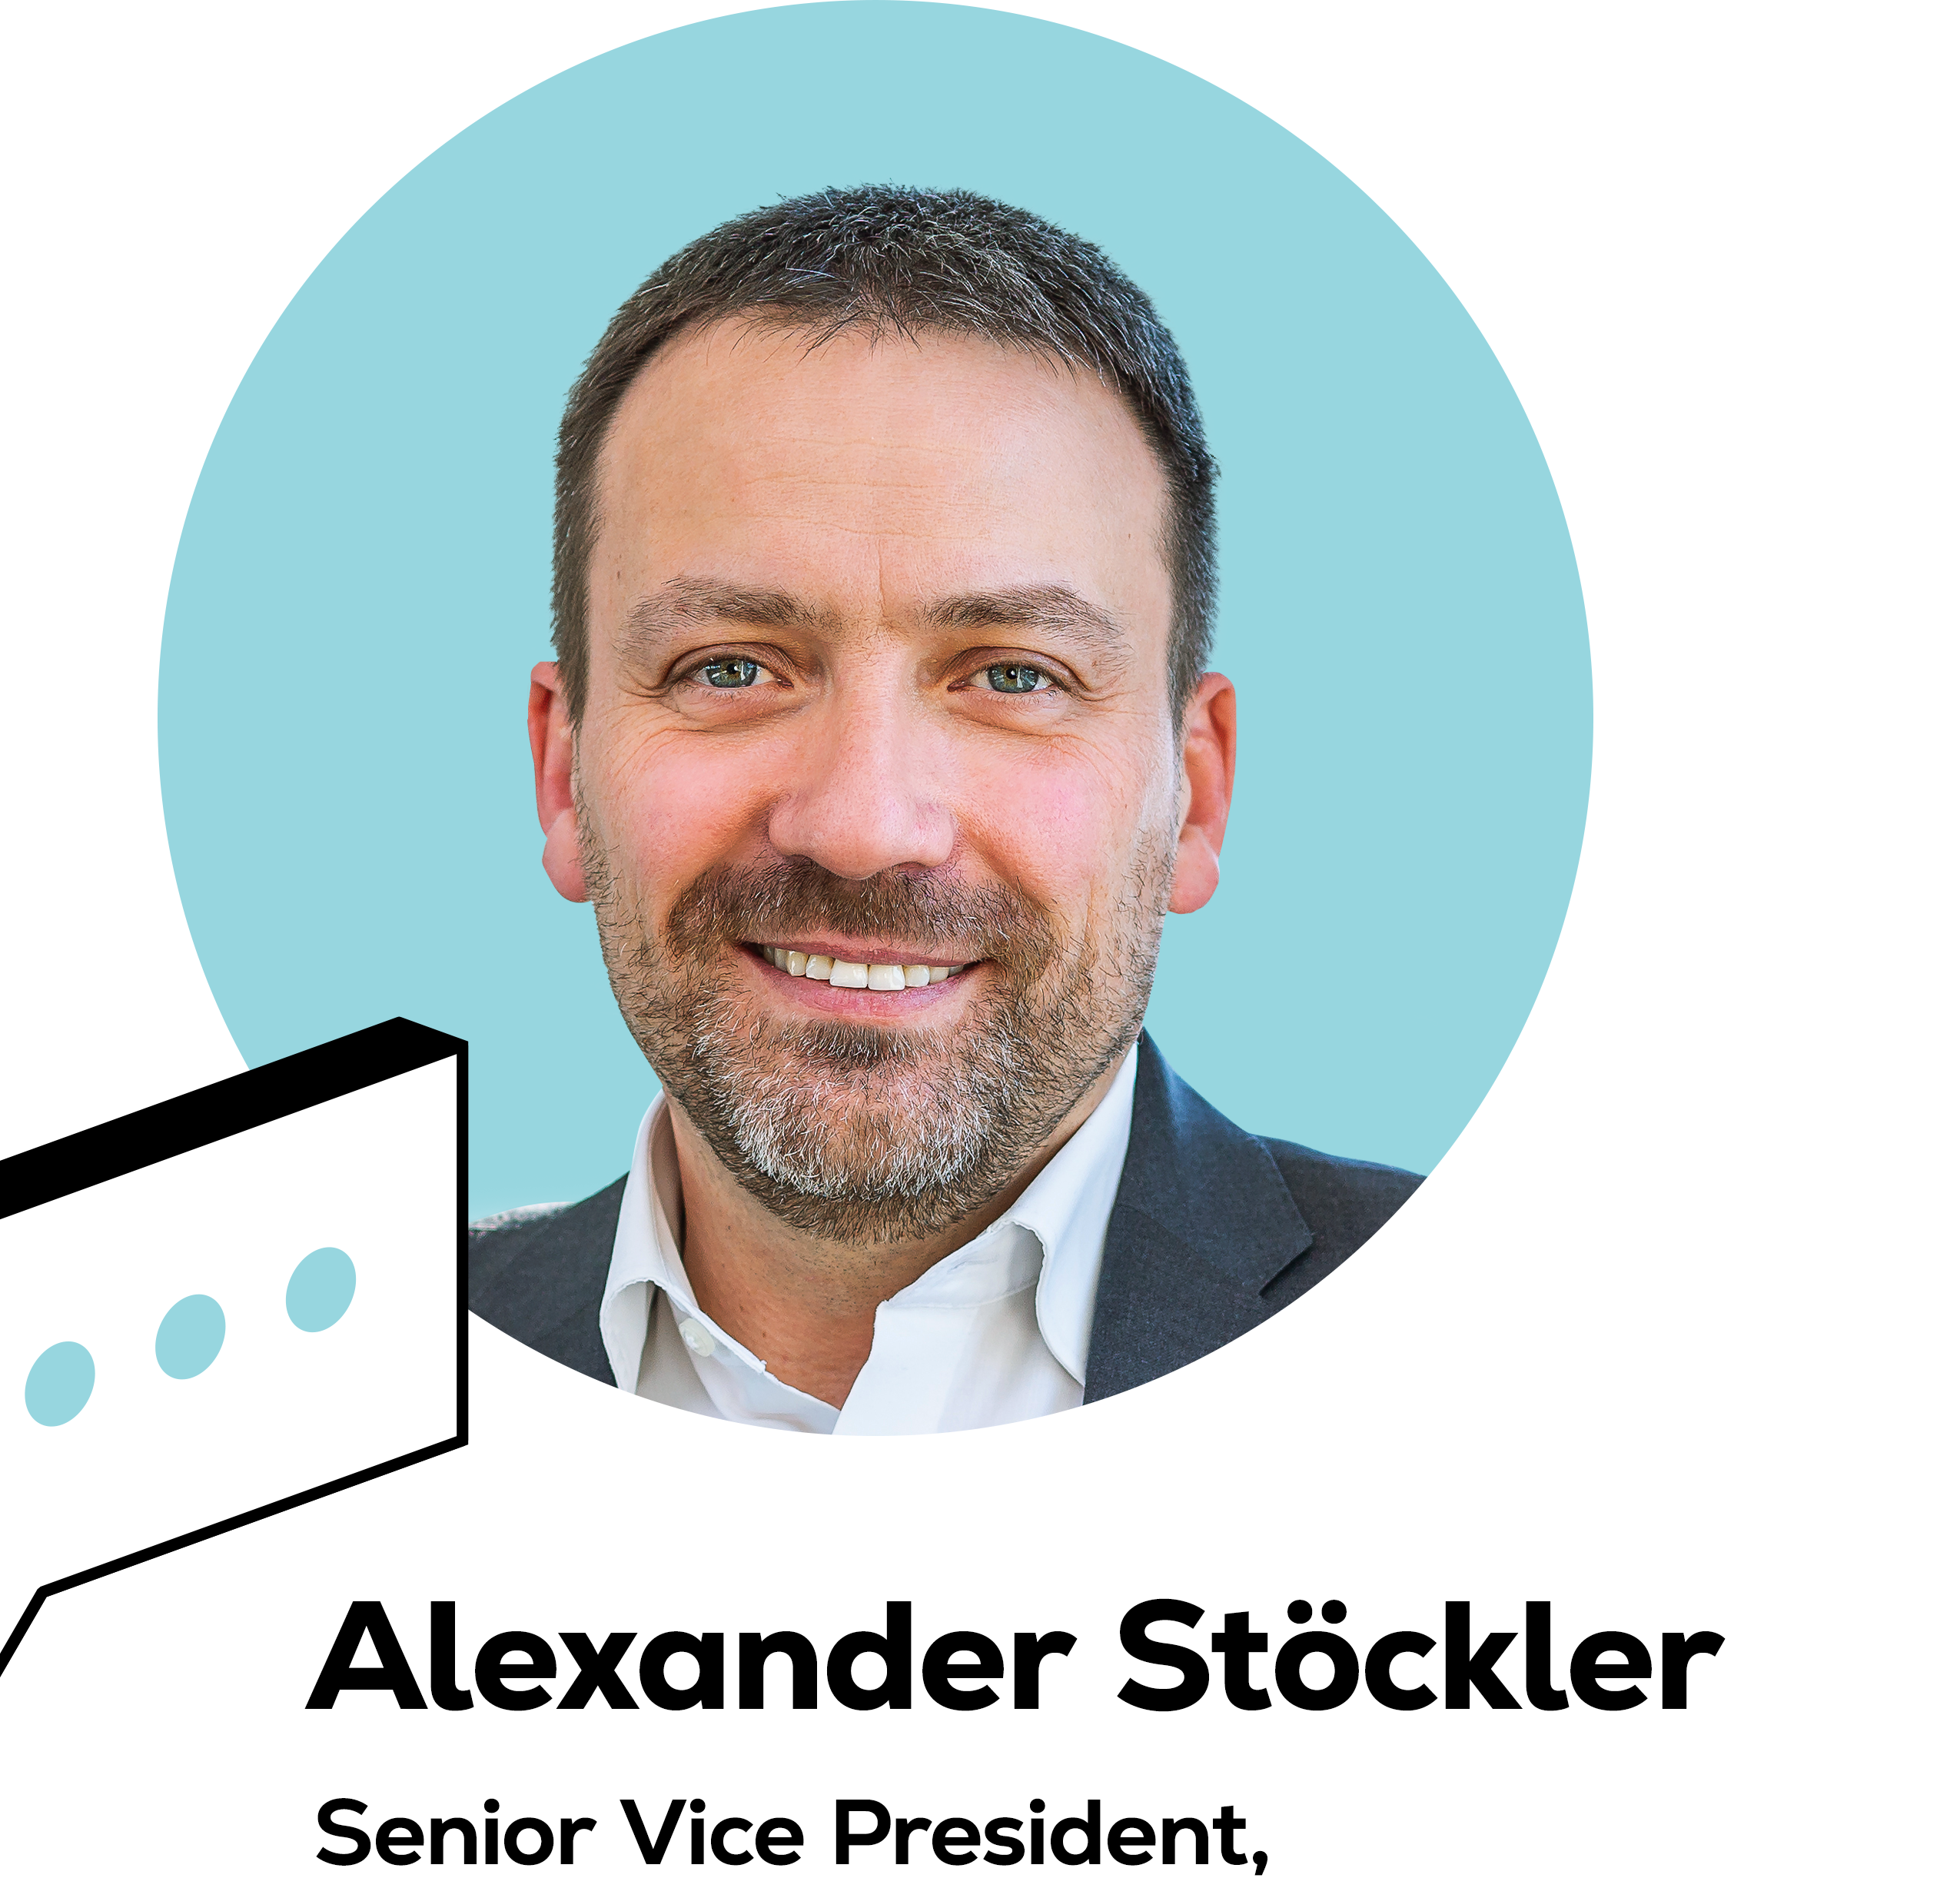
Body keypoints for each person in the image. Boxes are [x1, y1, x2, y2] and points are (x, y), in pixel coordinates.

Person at [469, 184, 1417, 1434]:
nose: (864, 825)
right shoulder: (357, 1383)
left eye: (1015, 677)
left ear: (1196, 795)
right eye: (731, 668)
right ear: (562, 775)